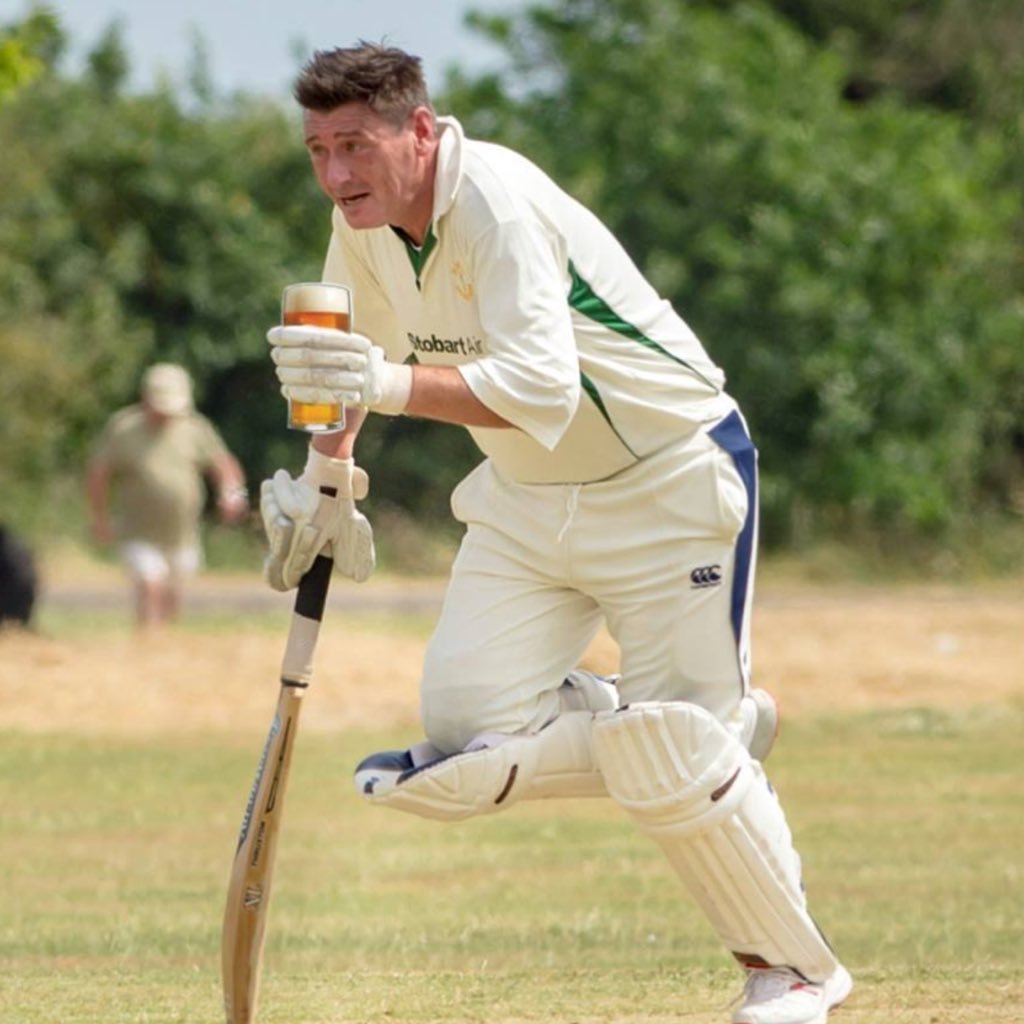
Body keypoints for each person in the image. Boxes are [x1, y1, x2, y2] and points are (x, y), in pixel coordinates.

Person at [259, 43, 852, 1024]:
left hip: (666, 480)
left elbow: (538, 390)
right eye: (318, 150)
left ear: (417, 130)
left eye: (354, 146)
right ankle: (702, 728)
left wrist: (386, 386)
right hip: (528, 500)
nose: (335, 175)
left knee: (673, 757)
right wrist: (329, 484)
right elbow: (341, 355)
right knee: (465, 736)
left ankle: (791, 972)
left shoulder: (496, 204)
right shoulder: (355, 222)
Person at [86, 362, 249, 628]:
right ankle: (149, 647)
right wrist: (99, 518)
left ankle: (166, 647)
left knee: (172, 595)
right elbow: (99, 474)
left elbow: (223, 465)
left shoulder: (196, 428)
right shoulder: (123, 428)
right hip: (137, 529)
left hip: (181, 532)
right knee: (150, 586)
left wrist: (232, 493)